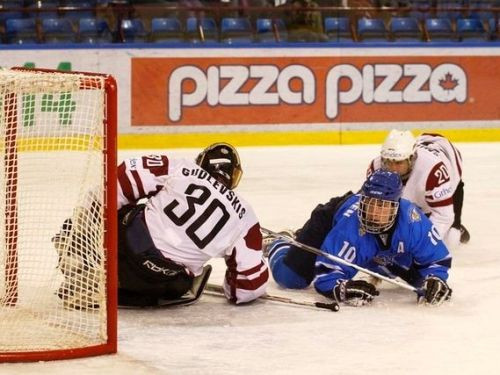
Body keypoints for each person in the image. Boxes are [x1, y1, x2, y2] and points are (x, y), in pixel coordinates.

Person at [53, 142, 269, 309]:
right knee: (183, 276)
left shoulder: (180, 168)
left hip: (124, 250)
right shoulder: (245, 215)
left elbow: (118, 181)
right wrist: (230, 287)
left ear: (201, 162)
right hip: (164, 285)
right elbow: (248, 286)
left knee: (119, 204)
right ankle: (125, 285)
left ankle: (83, 263)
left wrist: (84, 227)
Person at [267, 169, 452, 307]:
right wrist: (342, 289)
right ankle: (282, 241)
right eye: (370, 203)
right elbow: (327, 273)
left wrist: (435, 278)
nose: (374, 213)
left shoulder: (413, 222)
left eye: (382, 206)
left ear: (396, 206)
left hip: (379, 249)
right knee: (290, 278)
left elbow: (437, 259)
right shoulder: (350, 228)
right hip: (330, 221)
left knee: (420, 280)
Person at [367, 130, 469, 250]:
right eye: (389, 162)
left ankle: (457, 227)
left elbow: (443, 216)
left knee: (451, 239)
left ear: (411, 159)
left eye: (399, 163)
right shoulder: (376, 167)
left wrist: (421, 246)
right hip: (424, 164)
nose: (393, 169)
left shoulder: (433, 170)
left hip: (447, 159)